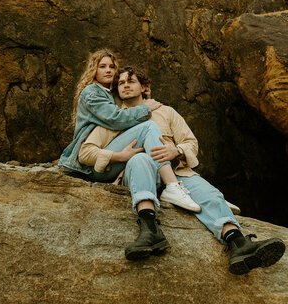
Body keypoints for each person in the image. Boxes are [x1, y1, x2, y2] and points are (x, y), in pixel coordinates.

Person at [79, 66, 286, 275]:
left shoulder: (166, 112)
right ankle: (149, 231)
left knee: (210, 194)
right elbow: (86, 152)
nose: (124, 85)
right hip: (140, 173)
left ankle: (238, 244)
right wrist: (119, 156)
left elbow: (191, 143)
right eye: (120, 83)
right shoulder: (115, 118)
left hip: (178, 173)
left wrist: (176, 150)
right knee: (140, 158)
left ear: (144, 87)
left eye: (130, 81)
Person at [58, 50, 200, 212]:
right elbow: (115, 118)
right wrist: (144, 108)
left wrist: (143, 95)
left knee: (144, 146)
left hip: (107, 162)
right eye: (102, 66)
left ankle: (175, 189)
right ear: (93, 70)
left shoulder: (110, 94)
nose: (108, 70)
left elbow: (129, 103)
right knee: (149, 127)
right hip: (88, 163)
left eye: (112, 66)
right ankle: (172, 186)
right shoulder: (92, 93)